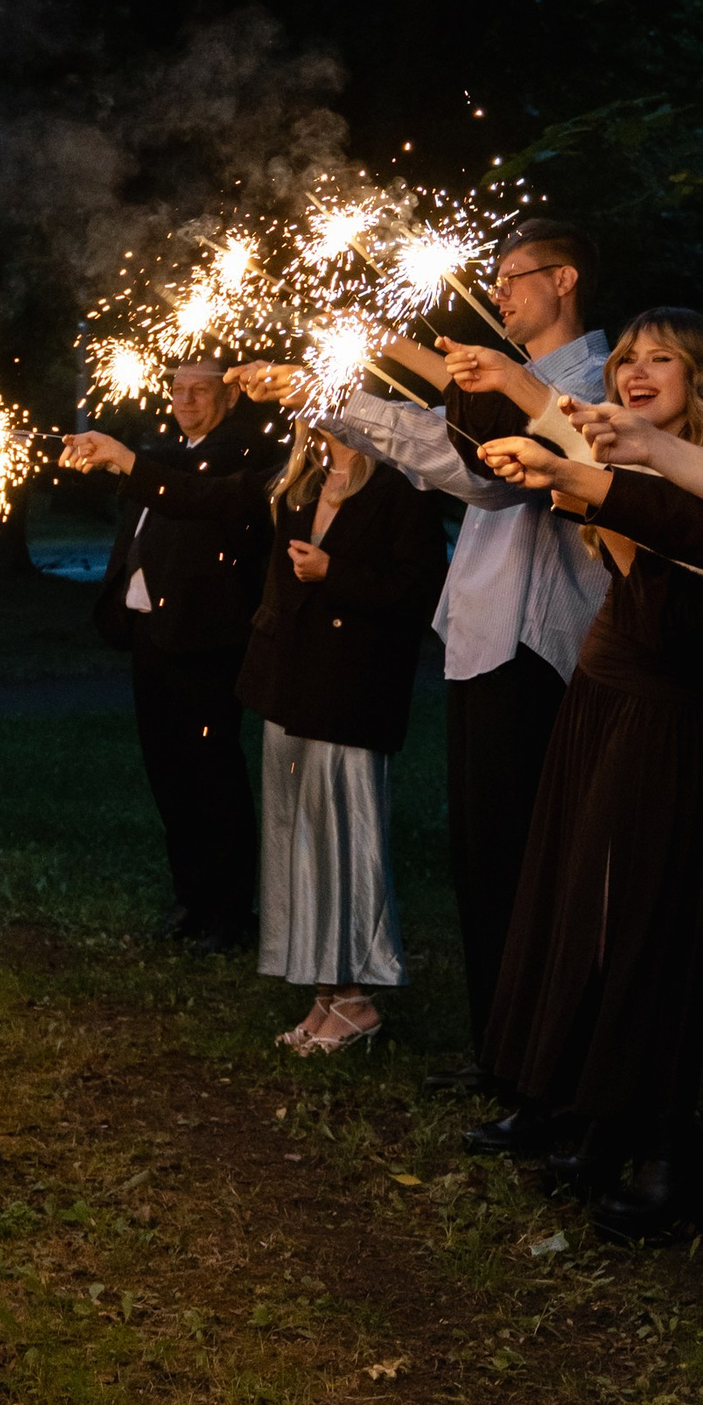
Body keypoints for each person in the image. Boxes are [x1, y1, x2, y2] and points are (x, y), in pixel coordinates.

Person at [497, 358, 703, 1337]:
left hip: (685, 722)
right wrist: (583, 480)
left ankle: (669, 1146)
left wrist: (619, 466)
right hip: (666, 716)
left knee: (663, 926)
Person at [469, 314, 703, 1240]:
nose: (633, 372)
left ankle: (661, 1139)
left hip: (657, 720)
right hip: (599, 704)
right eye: (624, 358)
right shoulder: (626, 465)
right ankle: (587, 1109)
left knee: (636, 921)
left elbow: (667, 583)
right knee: (575, 902)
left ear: (700, 375)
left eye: (657, 357)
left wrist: (586, 482)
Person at [317, 216, 609, 1096]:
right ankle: (500, 1050)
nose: (500, 292)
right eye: (496, 276)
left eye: (515, 275)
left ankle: (542, 1064)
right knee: (481, 860)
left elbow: (478, 470)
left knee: (527, 859)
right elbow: (448, 439)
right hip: (480, 640)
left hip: (540, 646)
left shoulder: (592, 381)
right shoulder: (494, 380)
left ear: (564, 279)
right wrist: (356, 370)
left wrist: (369, 391)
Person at [228, 414, 447, 1051]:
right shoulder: (300, 486)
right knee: (295, 836)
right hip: (291, 688)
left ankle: (356, 997)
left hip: (353, 693)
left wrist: (335, 574)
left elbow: (420, 591)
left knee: (343, 837)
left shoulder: (400, 493)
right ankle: (325, 994)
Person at [63, 356, 278, 952]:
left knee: (213, 776)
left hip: (206, 641)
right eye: (177, 389)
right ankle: (192, 899)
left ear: (229, 399)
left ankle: (229, 914)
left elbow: (194, 495)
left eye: (200, 390)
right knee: (169, 774)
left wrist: (129, 462)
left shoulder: (241, 456)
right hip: (152, 637)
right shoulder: (164, 454)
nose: (185, 400)